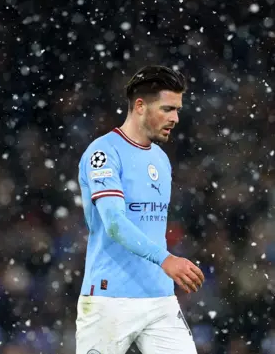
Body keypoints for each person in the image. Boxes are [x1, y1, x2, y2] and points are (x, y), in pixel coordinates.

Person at [76, 65, 205, 354]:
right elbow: (113, 223)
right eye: (168, 109)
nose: (175, 118)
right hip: (109, 299)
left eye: (178, 110)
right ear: (140, 106)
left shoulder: (160, 159)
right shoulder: (103, 153)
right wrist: (166, 259)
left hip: (160, 298)